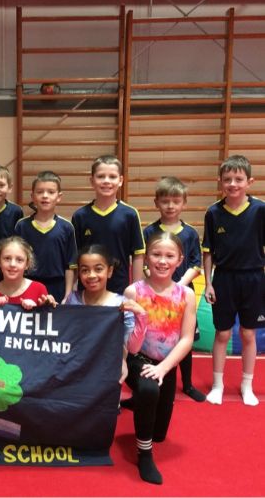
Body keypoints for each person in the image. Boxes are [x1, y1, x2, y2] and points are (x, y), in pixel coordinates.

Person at [123, 232, 196, 485]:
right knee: (148, 389)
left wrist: (164, 368)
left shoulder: (186, 295)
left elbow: (186, 339)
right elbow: (129, 343)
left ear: (180, 260)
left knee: (160, 434)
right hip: (138, 358)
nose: (162, 261)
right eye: (156, 254)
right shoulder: (133, 291)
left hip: (166, 364)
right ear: (146, 258)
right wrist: (141, 317)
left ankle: (141, 401)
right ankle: (144, 453)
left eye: (169, 256)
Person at [203, 155, 264, 406]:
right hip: (224, 278)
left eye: (238, 179)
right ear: (220, 181)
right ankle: (217, 385)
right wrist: (208, 283)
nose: (232, 184)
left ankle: (246, 385)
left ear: (250, 181)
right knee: (222, 333)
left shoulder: (260, 210)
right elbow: (208, 251)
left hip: (254, 278)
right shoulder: (213, 212)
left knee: (248, 333)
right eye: (227, 179)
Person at [141, 177, 205, 402]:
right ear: (156, 202)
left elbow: (196, 264)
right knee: (153, 337)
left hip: (181, 293)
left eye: (176, 201)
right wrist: (157, 283)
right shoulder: (149, 231)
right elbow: (144, 262)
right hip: (155, 294)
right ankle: (149, 381)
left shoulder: (190, 233)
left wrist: (178, 286)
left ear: (184, 203)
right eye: (165, 201)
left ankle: (187, 384)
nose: (170, 206)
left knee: (184, 338)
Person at [65, 244, 148, 384]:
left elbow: (132, 348)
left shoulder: (121, 304)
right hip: (76, 367)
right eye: (85, 270)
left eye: (98, 269)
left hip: (107, 369)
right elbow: (65, 335)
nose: (91, 275)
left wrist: (141, 315)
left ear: (109, 271)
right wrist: (47, 308)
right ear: (78, 273)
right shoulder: (72, 300)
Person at [71, 155, 145, 294]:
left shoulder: (130, 214)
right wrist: (72, 291)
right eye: (101, 176)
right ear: (92, 181)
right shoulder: (80, 216)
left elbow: (138, 254)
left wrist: (136, 289)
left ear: (120, 180)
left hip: (119, 289)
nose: (106, 181)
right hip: (87, 289)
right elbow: (74, 259)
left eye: (112, 177)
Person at [15, 171, 77, 303]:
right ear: (32, 196)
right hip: (28, 285)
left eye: (51, 192)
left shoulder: (67, 227)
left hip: (58, 287)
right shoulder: (22, 226)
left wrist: (67, 295)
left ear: (59, 197)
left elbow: (70, 266)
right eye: (40, 192)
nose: (45, 196)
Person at [0, 236, 56, 310]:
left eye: (19, 260)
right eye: (7, 258)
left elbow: (48, 316)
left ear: (27, 264)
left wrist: (46, 307)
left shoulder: (39, 289)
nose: (12, 264)